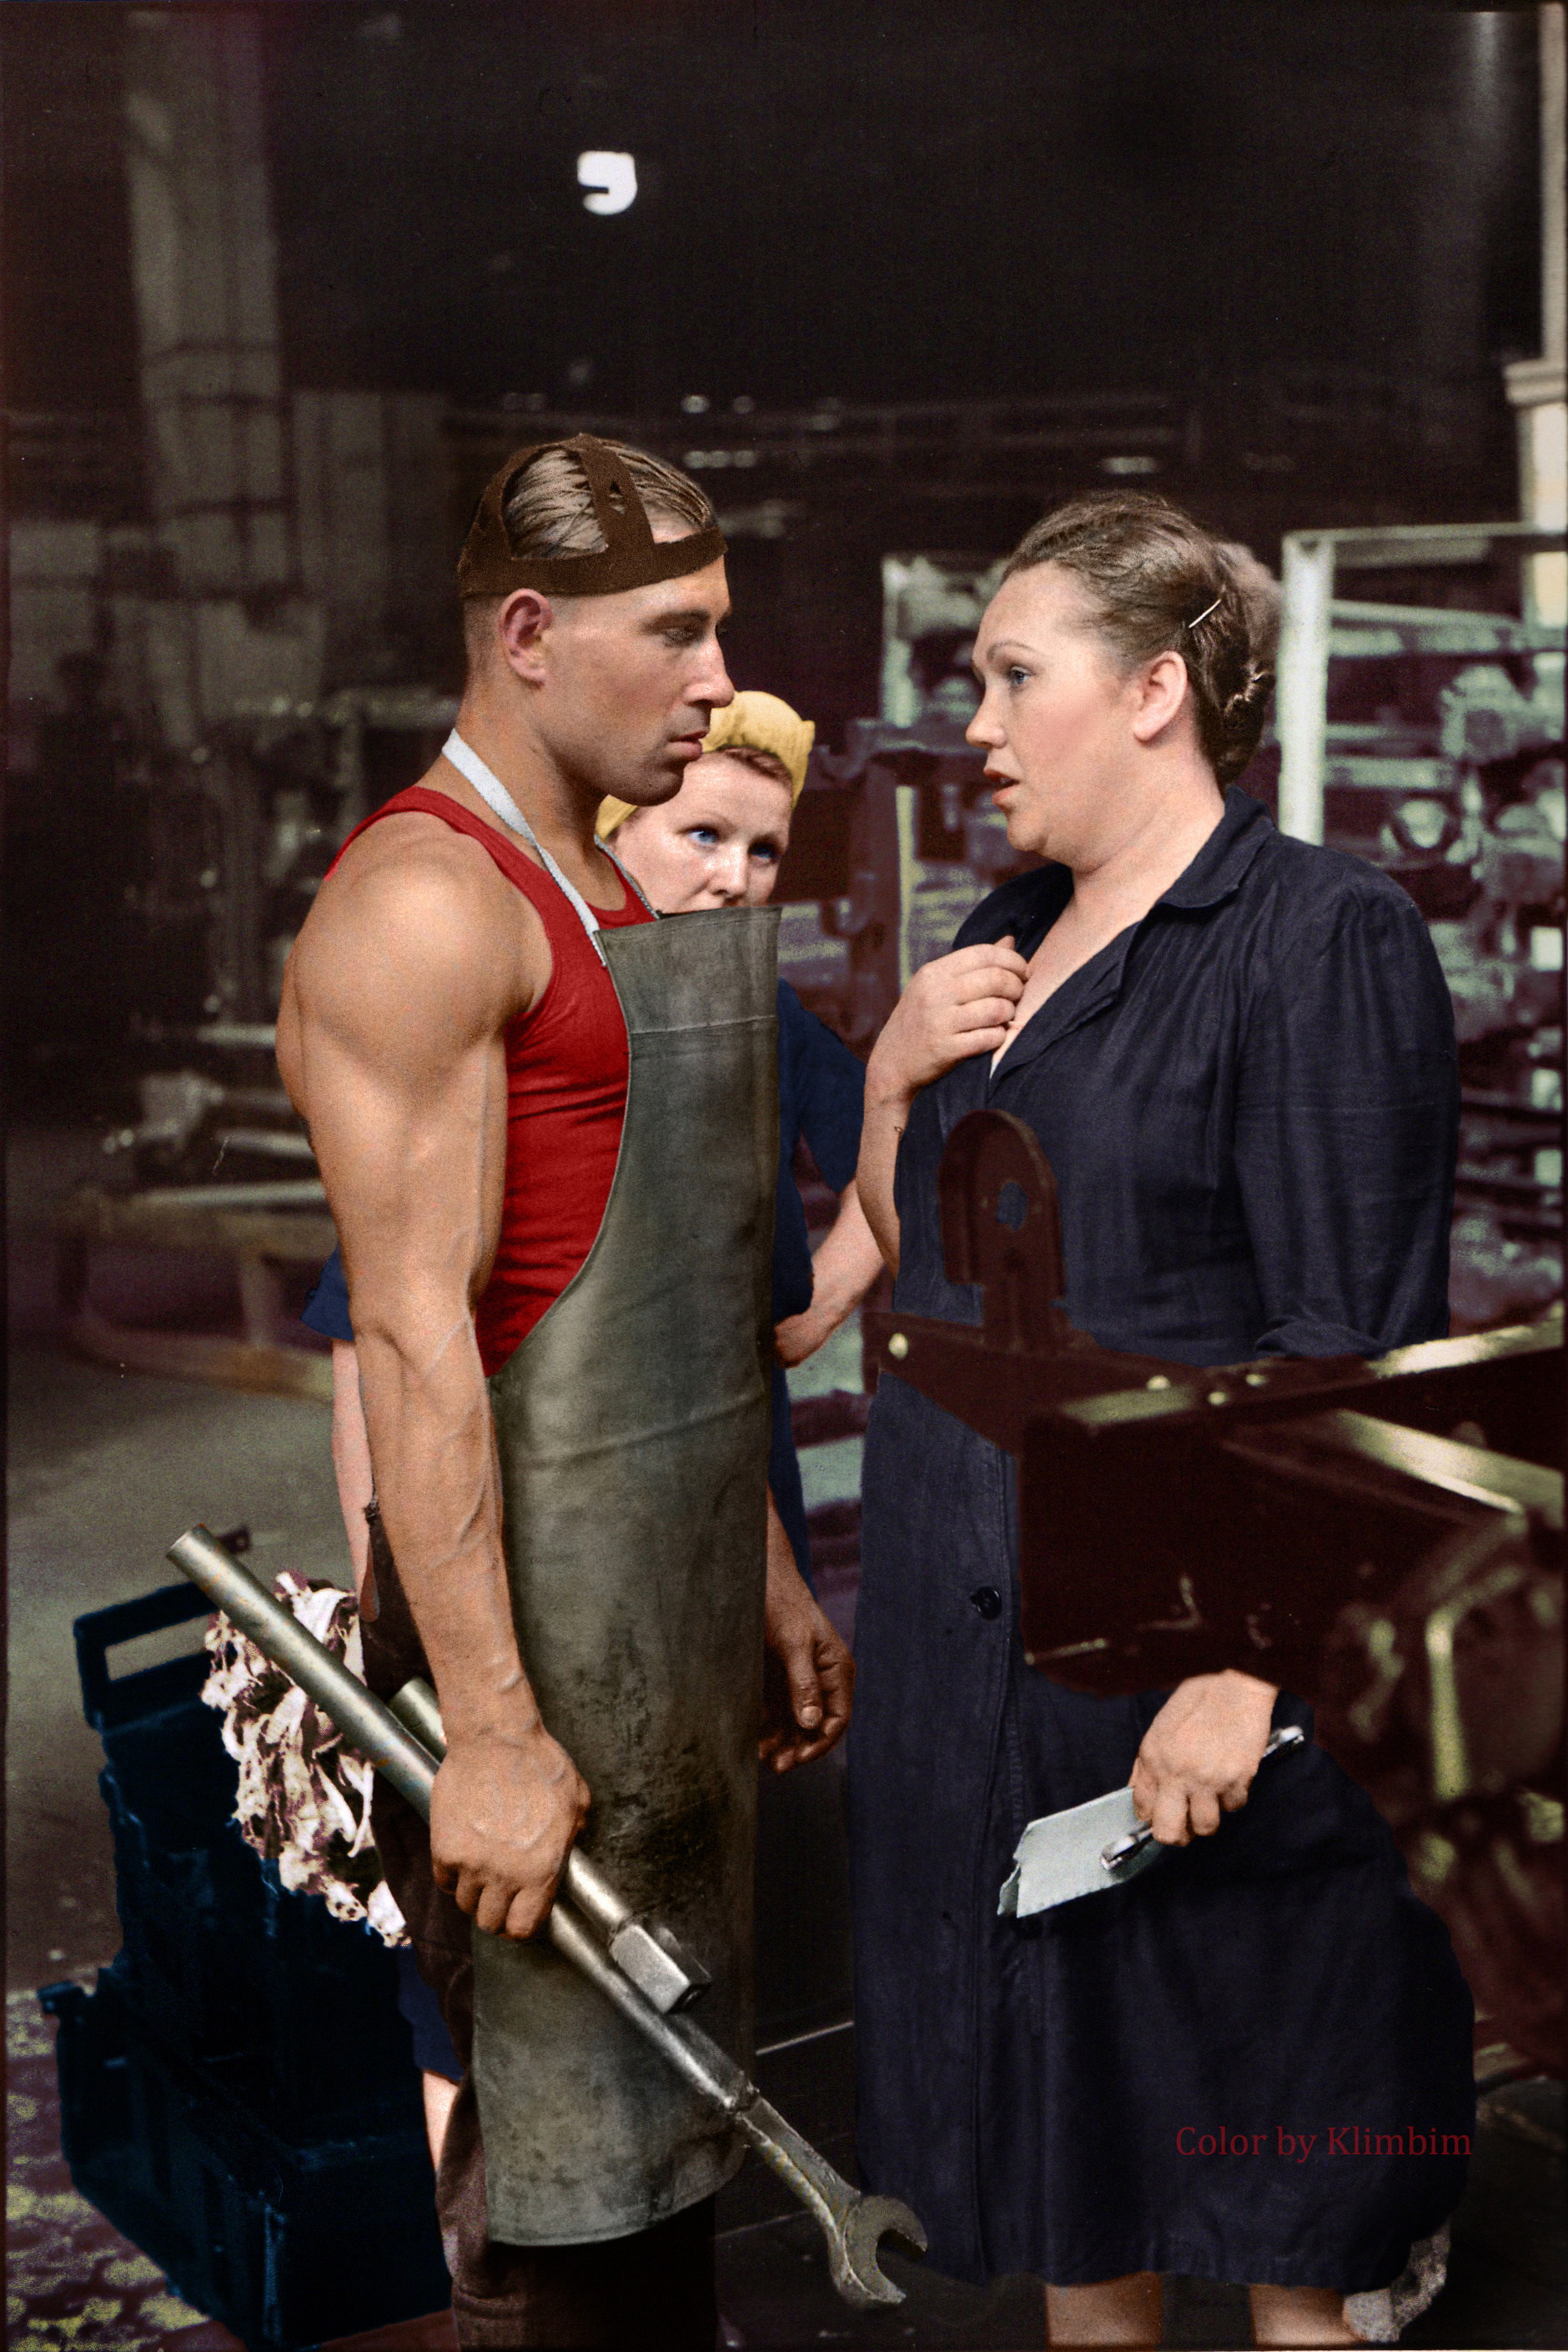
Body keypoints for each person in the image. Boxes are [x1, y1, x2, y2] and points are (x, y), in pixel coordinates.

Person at [850, 490, 1475, 2349]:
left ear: (1148, 694)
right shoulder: (1003, 934)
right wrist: (889, 1070)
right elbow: (919, 1285)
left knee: (1280, 2232)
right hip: (997, 1691)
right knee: (1080, 2215)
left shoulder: (1312, 939)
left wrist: (1247, 1669)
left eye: (1007, 674)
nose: (971, 720)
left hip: (1199, 1700)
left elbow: (1343, 1349)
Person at [278, 434, 852, 2349]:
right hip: (524, 1667)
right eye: (674, 634)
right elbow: (422, 1343)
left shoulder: (597, 880)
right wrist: (498, 1741)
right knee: (567, 2230)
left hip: (655, 1630)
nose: (715, 682)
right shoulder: (430, 905)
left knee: (666, 2196)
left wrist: (755, 1564)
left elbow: (670, 1295)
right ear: (526, 634)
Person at [304, 687, 878, 2142]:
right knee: (498, 1951)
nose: (730, 879)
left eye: (764, 854)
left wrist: (809, 1316)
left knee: (668, 1900)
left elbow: (898, 1157)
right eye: (700, 836)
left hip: (711, 1516)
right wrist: (399, 1601)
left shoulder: (752, 1013)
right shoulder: (527, 1027)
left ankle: (643, 2236)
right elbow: (378, 1347)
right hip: (517, 1552)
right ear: (614, 837)